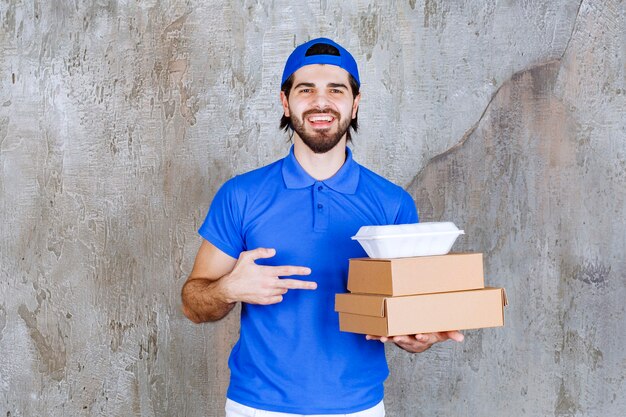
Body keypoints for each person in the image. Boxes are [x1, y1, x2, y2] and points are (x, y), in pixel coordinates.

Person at [181, 38, 464, 417]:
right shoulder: (240, 196)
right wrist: (228, 288)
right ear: (285, 102)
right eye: (305, 90)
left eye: (336, 90)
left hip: (358, 408)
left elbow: (409, 318)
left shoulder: (393, 204)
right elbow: (193, 304)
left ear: (355, 102)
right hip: (256, 407)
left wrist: (418, 337)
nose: (320, 102)